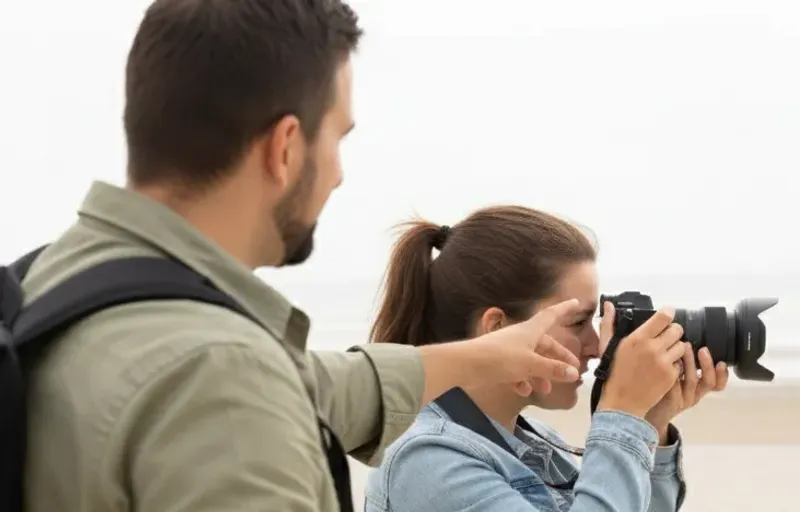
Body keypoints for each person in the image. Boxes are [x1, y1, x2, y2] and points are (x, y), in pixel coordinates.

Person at [15, 2, 586, 512]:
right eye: (337, 138)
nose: (339, 174)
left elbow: (310, 384)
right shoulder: (223, 378)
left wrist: (484, 356)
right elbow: (247, 384)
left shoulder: (55, 281)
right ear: (284, 147)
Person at [364, 206, 730, 512]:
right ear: (496, 328)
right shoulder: (427, 458)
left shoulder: (533, 440)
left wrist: (651, 421)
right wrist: (622, 416)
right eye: (577, 321)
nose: (595, 346)